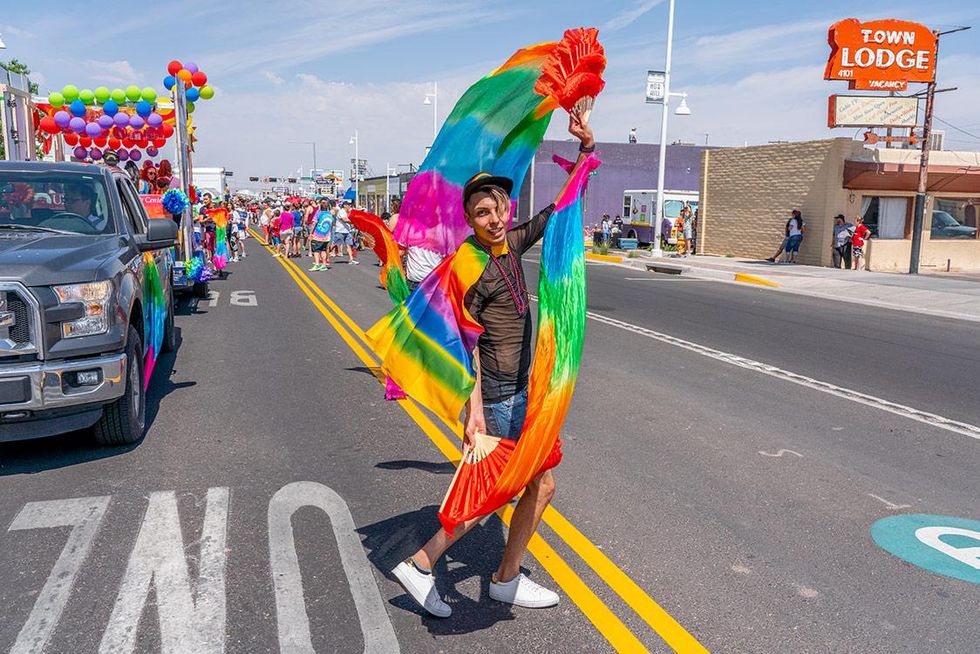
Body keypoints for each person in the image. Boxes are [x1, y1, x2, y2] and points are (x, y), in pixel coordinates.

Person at [392, 108, 594, 618]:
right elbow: (463, 340)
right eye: (483, 213)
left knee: (539, 483)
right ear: (471, 219)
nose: (495, 218)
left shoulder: (511, 242)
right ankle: (422, 564)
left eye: (499, 207)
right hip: (498, 401)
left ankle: (505, 579)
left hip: (522, 393)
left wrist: (585, 152)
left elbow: (558, 212)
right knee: (489, 496)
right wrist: (474, 407)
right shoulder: (468, 262)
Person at [309, 200, 334, 271]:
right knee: (324, 250)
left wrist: (311, 233)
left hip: (318, 235)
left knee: (316, 250)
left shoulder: (318, 213)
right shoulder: (329, 214)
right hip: (326, 235)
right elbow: (331, 225)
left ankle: (317, 264)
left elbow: (314, 223)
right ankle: (323, 264)